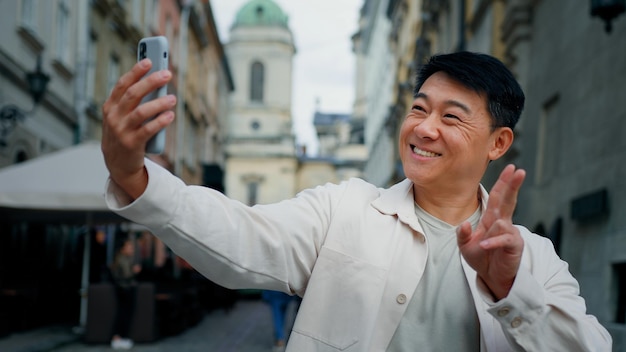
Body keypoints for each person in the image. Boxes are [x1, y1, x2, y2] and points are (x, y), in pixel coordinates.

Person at [101, 51, 612, 351]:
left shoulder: (533, 258)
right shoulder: (343, 207)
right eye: (418, 108)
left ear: (498, 144)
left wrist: (510, 289)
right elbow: (242, 235)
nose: (424, 128)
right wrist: (134, 175)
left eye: (452, 117)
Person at [109, 237, 141, 350]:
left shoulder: (124, 258)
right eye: (129, 247)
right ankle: (118, 337)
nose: (132, 249)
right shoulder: (121, 259)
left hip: (125, 289)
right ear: (123, 248)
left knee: (125, 313)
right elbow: (126, 275)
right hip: (124, 289)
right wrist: (134, 271)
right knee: (123, 313)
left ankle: (121, 337)